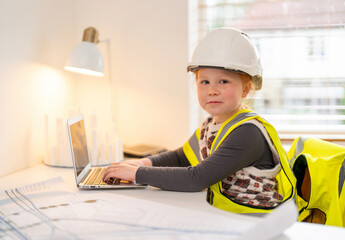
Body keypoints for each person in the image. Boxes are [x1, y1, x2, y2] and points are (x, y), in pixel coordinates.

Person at [103, 28, 296, 214]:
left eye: (223, 81)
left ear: (245, 89)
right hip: (228, 215)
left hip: (255, 222)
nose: (212, 90)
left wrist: (138, 174)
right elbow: (181, 157)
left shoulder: (247, 132)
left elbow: (197, 178)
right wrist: (142, 163)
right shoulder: (211, 124)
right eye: (205, 82)